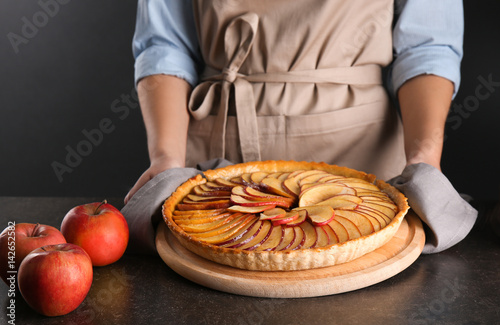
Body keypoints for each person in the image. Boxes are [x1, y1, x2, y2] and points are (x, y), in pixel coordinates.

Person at [122, 0, 477, 255]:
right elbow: (164, 46)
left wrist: (424, 161)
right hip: (219, 159)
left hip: (364, 163)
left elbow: (426, 47)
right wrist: (167, 157)